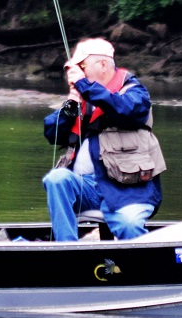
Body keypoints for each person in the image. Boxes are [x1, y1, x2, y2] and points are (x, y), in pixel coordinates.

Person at [42, 37, 165, 241]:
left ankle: (141, 266)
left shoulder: (135, 92)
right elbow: (51, 133)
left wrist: (84, 85)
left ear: (103, 64)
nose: (76, 74)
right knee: (56, 179)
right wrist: (71, 103)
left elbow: (125, 109)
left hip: (128, 190)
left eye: (81, 66)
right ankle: (66, 250)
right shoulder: (83, 97)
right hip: (88, 188)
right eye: (74, 69)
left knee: (129, 225)